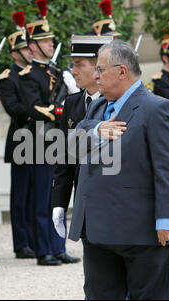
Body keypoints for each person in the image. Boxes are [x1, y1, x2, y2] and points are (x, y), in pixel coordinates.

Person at [67, 40, 169, 300]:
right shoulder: (98, 105)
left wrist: (168, 218)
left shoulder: (156, 108)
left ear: (122, 71)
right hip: (98, 230)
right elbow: (71, 146)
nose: (96, 76)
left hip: (143, 230)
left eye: (101, 70)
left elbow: (168, 168)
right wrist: (96, 131)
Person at [18, 0, 80, 266]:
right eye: (44, 41)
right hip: (38, 140)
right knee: (43, 197)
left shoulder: (57, 71)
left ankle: (58, 247)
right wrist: (62, 107)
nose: (50, 44)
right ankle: (43, 249)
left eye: (50, 40)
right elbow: (34, 108)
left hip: (59, 140)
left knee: (59, 196)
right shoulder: (28, 74)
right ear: (32, 46)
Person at [51, 34, 113, 248]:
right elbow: (65, 157)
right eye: (72, 64)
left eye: (78, 65)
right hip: (84, 201)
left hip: (115, 201)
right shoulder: (72, 103)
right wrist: (59, 203)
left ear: (98, 66)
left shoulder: (120, 103)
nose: (72, 71)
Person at [0, 11, 35, 259]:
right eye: (25, 49)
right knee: (21, 194)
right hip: (22, 138)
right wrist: (39, 111)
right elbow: (13, 108)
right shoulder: (8, 78)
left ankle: (36, 237)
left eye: (30, 48)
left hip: (41, 139)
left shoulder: (38, 74)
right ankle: (22, 242)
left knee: (38, 192)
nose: (30, 52)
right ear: (14, 54)